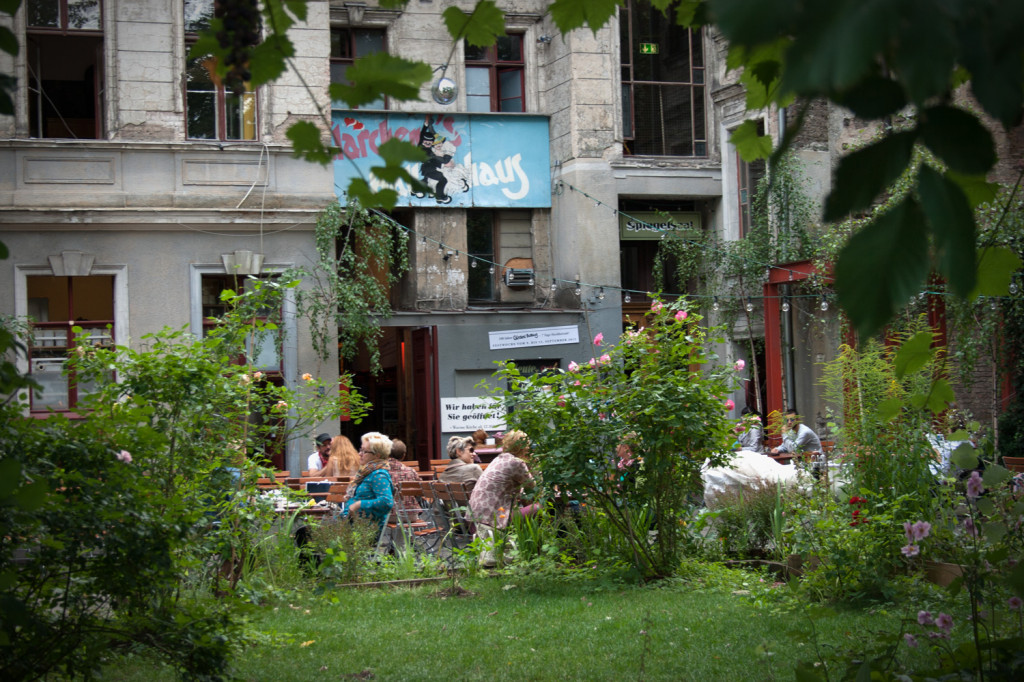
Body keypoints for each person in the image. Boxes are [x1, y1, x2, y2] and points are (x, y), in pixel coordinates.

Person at [468, 429, 536, 567]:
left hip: (473, 519)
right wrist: (533, 466)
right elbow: (534, 488)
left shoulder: (499, 459)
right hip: (492, 520)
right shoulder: (517, 463)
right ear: (524, 447)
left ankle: (517, 547)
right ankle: (535, 551)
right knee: (541, 506)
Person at [341, 432, 395, 532]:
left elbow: (386, 502)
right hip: (353, 525)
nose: (359, 454)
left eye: (364, 451)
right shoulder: (367, 472)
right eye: (360, 450)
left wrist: (358, 504)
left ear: (377, 455)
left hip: (365, 529)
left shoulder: (379, 475)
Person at [387, 438, 422, 510]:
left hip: (386, 515)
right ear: (403, 455)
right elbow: (421, 489)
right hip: (410, 514)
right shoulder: (411, 471)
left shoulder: (380, 472)